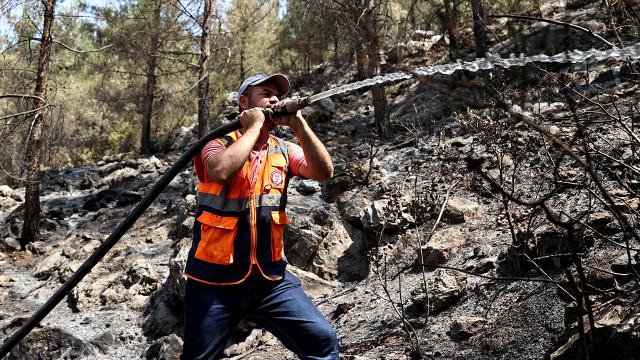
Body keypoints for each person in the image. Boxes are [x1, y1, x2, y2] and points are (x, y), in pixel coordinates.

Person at [182, 73, 339, 360]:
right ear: (245, 103)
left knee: (322, 340)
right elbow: (220, 170)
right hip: (213, 283)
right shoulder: (216, 142)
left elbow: (324, 172)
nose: (275, 99)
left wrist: (299, 124)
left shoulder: (283, 150)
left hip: (269, 280)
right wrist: (253, 127)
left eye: (278, 95)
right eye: (266, 94)